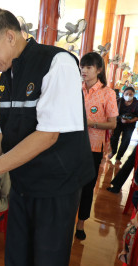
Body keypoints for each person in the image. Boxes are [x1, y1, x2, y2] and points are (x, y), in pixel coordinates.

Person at [0, 9, 94, 266]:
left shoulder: (56, 62)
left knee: (46, 258)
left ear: (9, 36)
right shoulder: (7, 76)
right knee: (17, 256)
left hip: (56, 185)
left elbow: (48, 135)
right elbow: (1, 133)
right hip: (23, 181)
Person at [75, 52, 118, 240]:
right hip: (72, 144)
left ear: (99, 70)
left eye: (88, 67)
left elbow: (113, 124)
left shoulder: (107, 93)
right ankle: (66, 218)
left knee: (87, 186)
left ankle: (81, 223)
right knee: (69, 183)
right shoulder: (77, 89)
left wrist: (91, 124)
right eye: (82, 67)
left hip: (93, 147)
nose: (83, 71)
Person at [109, 86, 138, 163]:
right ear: (123, 93)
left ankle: (118, 157)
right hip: (118, 123)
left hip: (130, 125)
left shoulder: (136, 103)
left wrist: (130, 121)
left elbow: (137, 116)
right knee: (114, 138)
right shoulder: (118, 101)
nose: (128, 96)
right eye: (127, 94)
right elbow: (112, 113)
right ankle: (113, 151)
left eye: (130, 94)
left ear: (133, 95)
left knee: (126, 140)